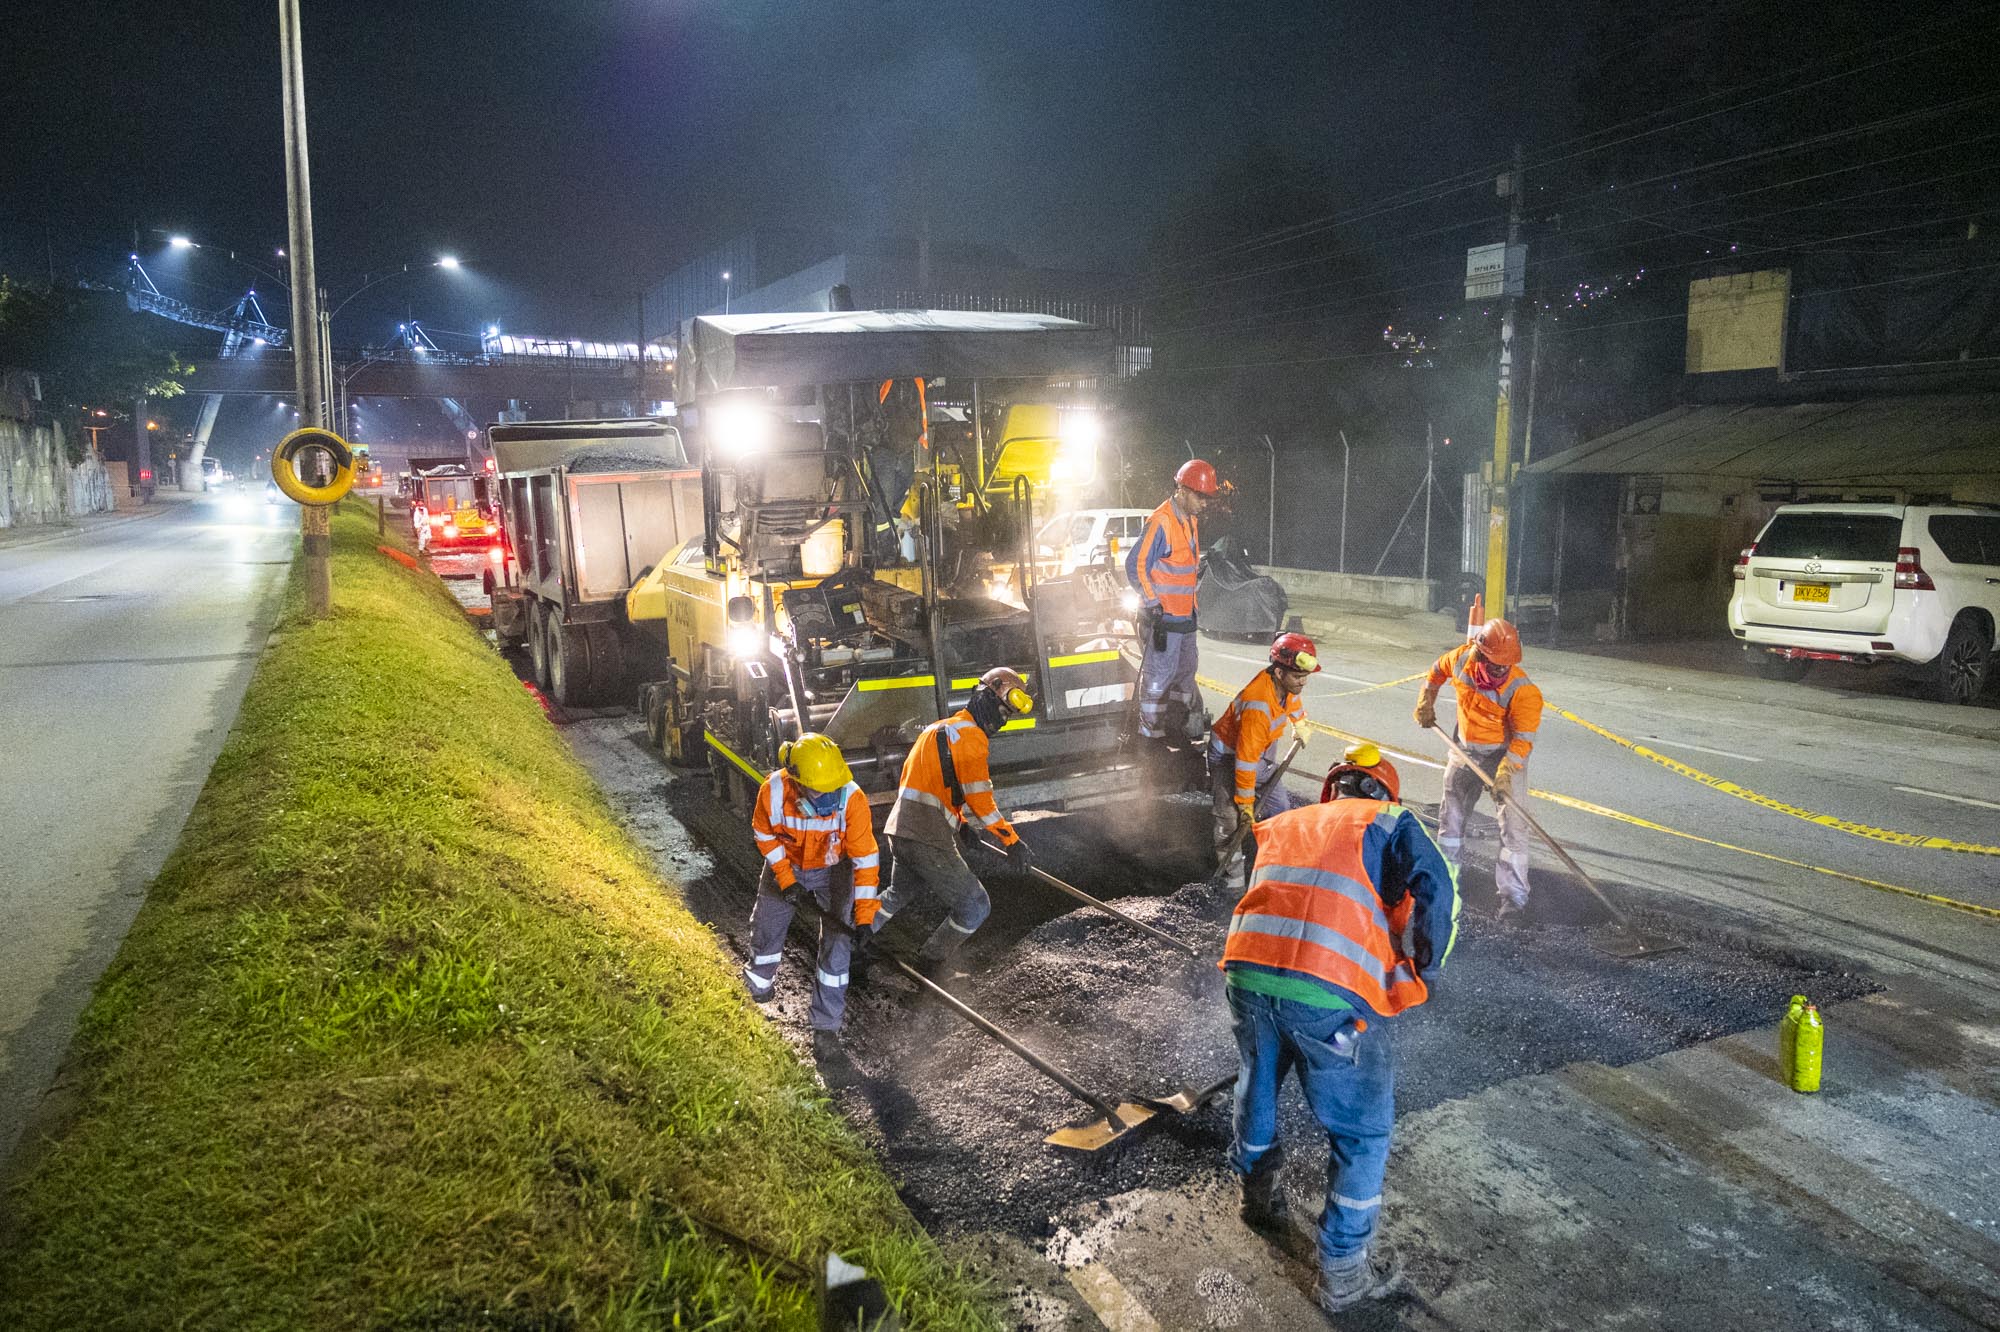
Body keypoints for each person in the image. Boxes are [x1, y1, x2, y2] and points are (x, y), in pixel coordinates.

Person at [1222, 743, 1458, 1315]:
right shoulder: (1390, 821)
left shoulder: (1286, 822)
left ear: (1334, 788)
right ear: (1385, 791)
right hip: (1325, 998)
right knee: (1362, 1131)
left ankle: (1257, 1199)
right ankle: (1344, 1272)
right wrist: (1426, 960)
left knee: (1256, 1082)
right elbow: (1438, 886)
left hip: (1247, 975)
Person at [870, 667, 1036, 982]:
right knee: (975, 905)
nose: (1001, 720)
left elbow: (935, 786)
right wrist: (1011, 841)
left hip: (900, 830)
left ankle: (850, 936)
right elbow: (981, 801)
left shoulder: (937, 729)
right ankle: (930, 967)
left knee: (897, 893)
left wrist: (960, 826)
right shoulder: (973, 739)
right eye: (1002, 711)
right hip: (926, 837)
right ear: (987, 696)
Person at [744, 733, 881, 1062]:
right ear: (797, 783)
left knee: (837, 944)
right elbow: (763, 832)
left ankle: (826, 1027)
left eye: (833, 789)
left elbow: (865, 861)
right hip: (786, 864)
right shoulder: (774, 791)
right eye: (821, 792)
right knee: (768, 925)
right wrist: (787, 880)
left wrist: (863, 920)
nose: (829, 798)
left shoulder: (852, 799)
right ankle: (757, 990)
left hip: (834, 869)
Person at [1413, 617, 1544, 918]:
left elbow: (1523, 740)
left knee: (1513, 827)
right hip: (1464, 750)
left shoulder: (1523, 690)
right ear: (1481, 652)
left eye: (1506, 663)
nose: (1501, 668)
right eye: (1496, 662)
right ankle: (1444, 884)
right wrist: (1425, 701)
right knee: (1452, 819)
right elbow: (1435, 672)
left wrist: (1505, 773)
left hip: (1504, 757)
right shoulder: (1461, 659)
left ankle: (1513, 899)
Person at [1209, 632, 1320, 888]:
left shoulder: (1285, 685)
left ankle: (1273, 871)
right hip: (1228, 755)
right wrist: (1246, 805)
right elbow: (1245, 761)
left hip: (1261, 751)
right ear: (1279, 673)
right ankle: (1232, 886)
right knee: (1230, 820)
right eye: (1297, 677)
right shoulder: (1258, 703)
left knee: (1279, 808)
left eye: (1305, 677)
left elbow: (1292, 701)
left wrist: (1299, 722)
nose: (1302, 683)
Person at [1125, 459, 1218, 747]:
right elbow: (1135, 565)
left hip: (1185, 617)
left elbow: (1179, 563)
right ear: (1182, 490)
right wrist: (1153, 603)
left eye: (1206, 497)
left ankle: (1176, 729)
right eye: (1200, 496)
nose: (1204, 503)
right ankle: (1150, 737)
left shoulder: (1190, 520)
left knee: (1185, 673)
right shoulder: (1162, 520)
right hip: (1164, 618)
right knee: (1158, 678)